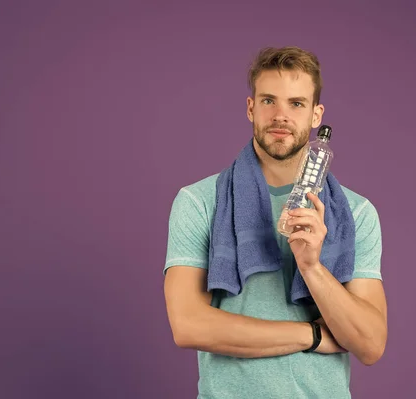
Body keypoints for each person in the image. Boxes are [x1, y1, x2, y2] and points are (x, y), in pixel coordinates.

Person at [163, 46, 387, 398]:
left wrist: (312, 267)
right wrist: (311, 335)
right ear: (251, 107)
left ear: (316, 115)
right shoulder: (200, 202)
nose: (280, 116)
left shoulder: (356, 213)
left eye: (296, 104)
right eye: (269, 101)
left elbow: (370, 343)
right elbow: (188, 325)